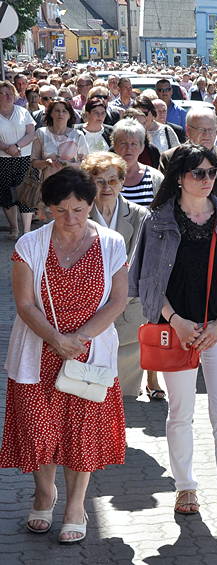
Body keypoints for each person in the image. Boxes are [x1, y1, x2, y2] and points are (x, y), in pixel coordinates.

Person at [128, 143, 217, 529]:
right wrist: (176, 321)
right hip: (177, 331)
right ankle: (185, 486)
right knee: (180, 412)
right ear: (180, 177)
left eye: (211, 173)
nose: (206, 180)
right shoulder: (157, 222)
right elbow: (147, 283)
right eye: (198, 173)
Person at [1, 167, 128, 543]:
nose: (70, 218)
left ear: (91, 204)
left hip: (89, 354)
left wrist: (82, 337)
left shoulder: (112, 242)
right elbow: (24, 304)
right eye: (60, 210)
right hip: (38, 350)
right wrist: (56, 339)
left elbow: (118, 300)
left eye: (78, 209)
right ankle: (44, 492)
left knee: (81, 433)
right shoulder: (29, 245)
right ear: (46, 209)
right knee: (39, 431)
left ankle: (75, 505)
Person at [82, 151, 149, 398]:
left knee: (122, 392)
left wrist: (120, 302)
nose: (107, 187)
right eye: (99, 181)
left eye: (113, 180)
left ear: (122, 182)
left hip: (128, 309)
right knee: (87, 387)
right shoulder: (79, 214)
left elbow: (142, 264)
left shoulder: (140, 215)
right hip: (88, 312)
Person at [159, 108, 217, 217]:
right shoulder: (171, 158)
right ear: (188, 130)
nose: (207, 134)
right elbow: (164, 198)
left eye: (211, 129)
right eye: (201, 129)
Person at [0, 80, 36, 239]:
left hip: (24, 158)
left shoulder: (23, 112)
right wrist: (6, 148)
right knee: (6, 195)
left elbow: (31, 134)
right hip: (3, 159)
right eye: (2, 94)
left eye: (9, 93)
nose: (6, 96)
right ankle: (14, 228)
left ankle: (27, 232)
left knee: (25, 194)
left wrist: (16, 147)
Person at [112, 118, 164, 207]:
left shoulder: (156, 178)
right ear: (114, 145)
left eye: (133, 144)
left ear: (142, 147)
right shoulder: (103, 176)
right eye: (123, 143)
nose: (128, 149)